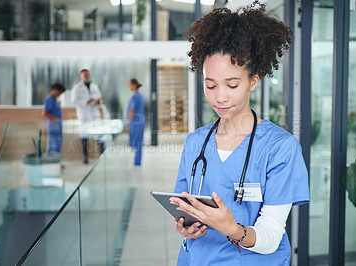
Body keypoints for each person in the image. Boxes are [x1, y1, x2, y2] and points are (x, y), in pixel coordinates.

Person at [169, 3, 310, 265]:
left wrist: (231, 229)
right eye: (210, 85)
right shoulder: (195, 143)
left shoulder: (281, 148)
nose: (220, 97)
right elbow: (183, 206)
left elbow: (269, 238)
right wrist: (184, 226)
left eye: (232, 85)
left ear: (253, 82)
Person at [71, 68, 105, 164]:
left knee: (99, 135)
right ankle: (85, 157)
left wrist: (99, 101)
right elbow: (74, 101)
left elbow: (100, 98)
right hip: (84, 114)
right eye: (84, 74)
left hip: (95, 113)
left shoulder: (94, 86)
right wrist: (86, 102)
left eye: (87, 74)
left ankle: (103, 155)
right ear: (81, 76)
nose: (86, 76)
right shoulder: (77, 87)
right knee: (85, 136)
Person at [42, 83, 66, 155]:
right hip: (53, 126)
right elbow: (44, 113)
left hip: (57, 126)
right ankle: (52, 162)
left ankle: (57, 163)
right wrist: (56, 119)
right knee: (53, 145)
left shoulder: (54, 100)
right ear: (56, 90)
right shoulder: (49, 99)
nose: (60, 95)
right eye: (60, 93)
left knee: (57, 145)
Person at [127, 78, 146, 166]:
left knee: (136, 144)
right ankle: (137, 162)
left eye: (129, 84)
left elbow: (132, 111)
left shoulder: (135, 97)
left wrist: (128, 122)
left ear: (134, 85)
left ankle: (137, 162)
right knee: (139, 144)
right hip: (141, 123)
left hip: (136, 123)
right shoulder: (139, 96)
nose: (128, 86)